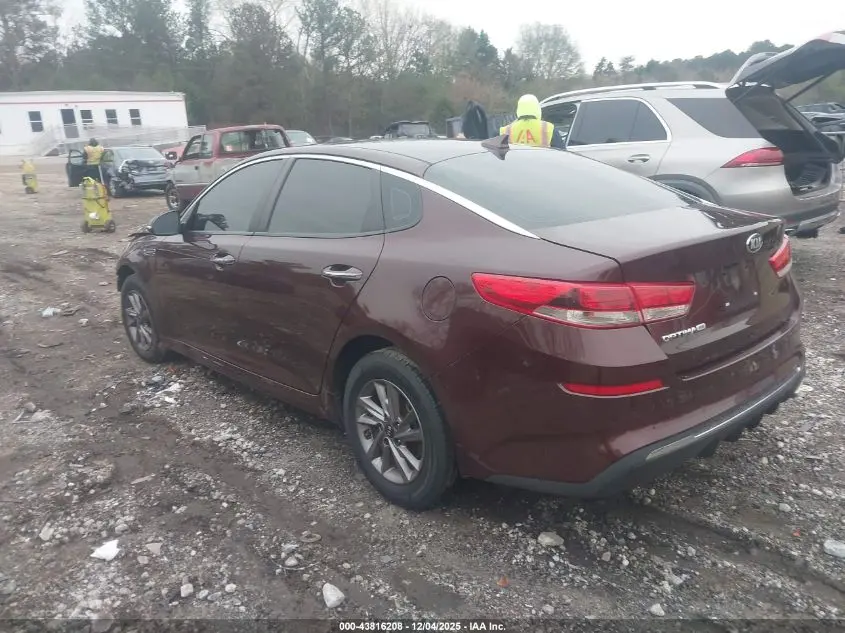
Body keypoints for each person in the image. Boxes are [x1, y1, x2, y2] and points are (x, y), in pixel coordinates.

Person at [500, 94, 565, 149]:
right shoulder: (549, 129)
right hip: (541, 163)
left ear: (518, 109)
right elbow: (563, 155)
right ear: (537, 109)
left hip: (514, 164)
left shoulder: (505, 131)